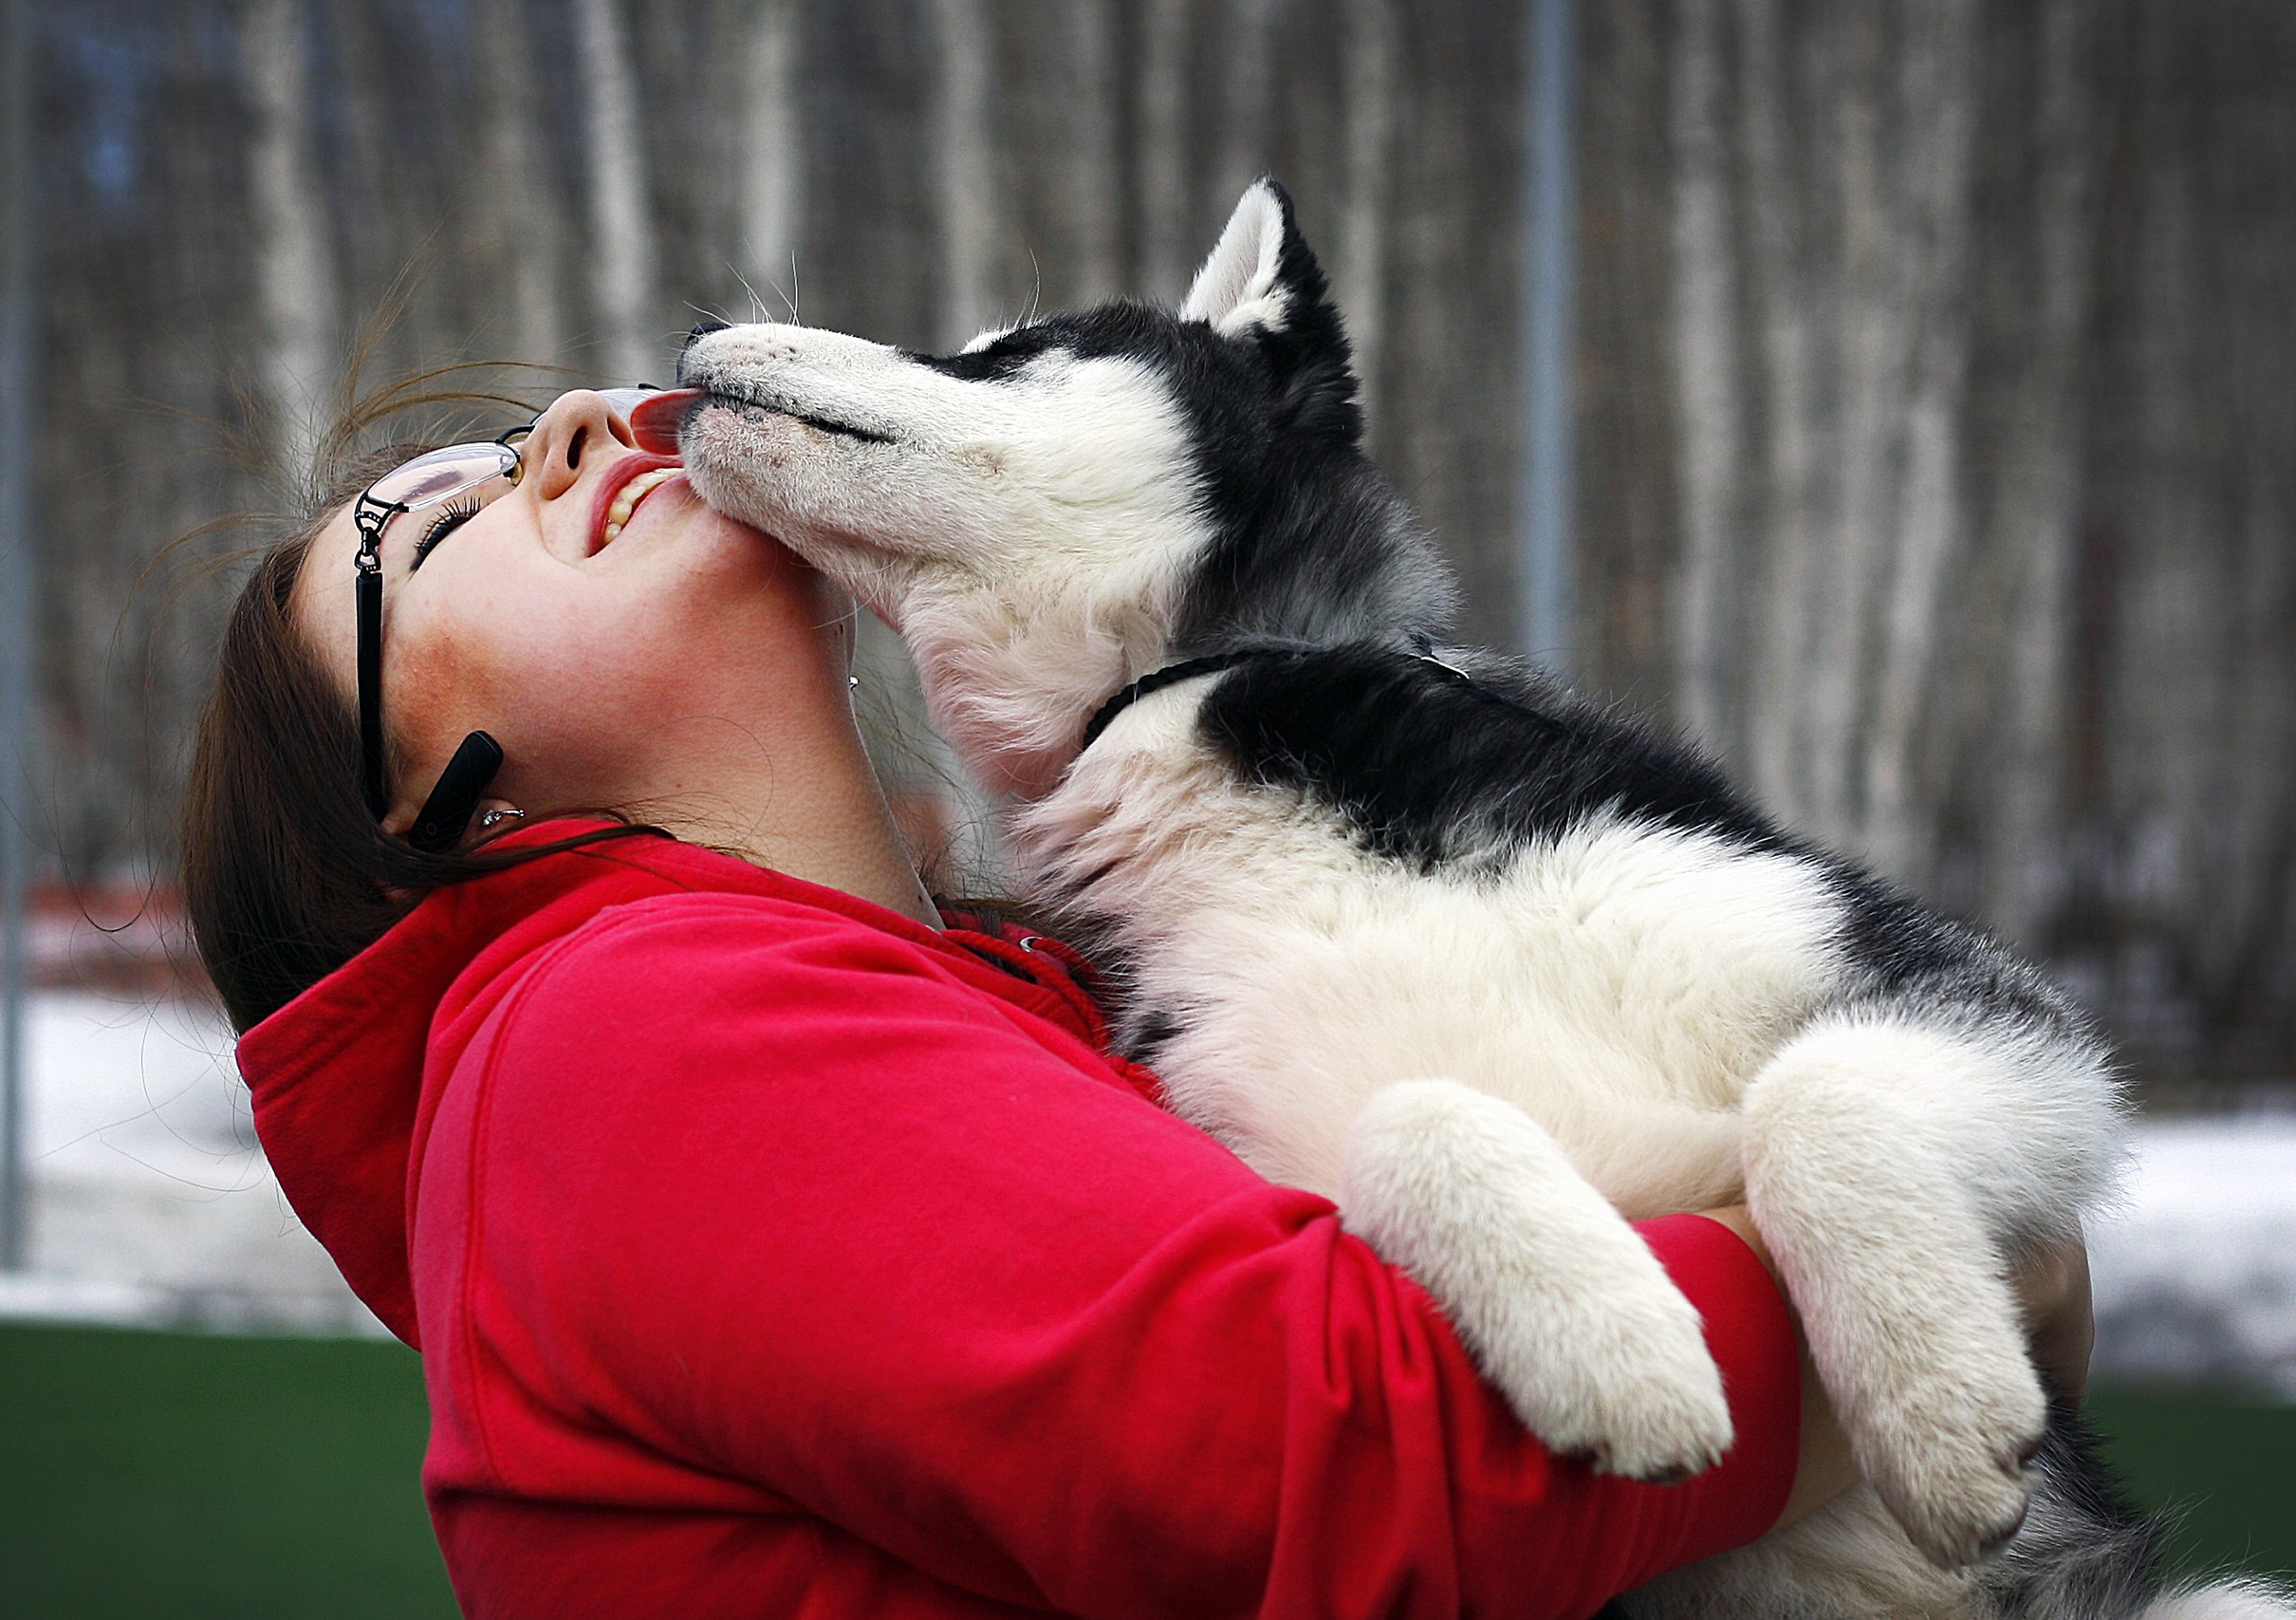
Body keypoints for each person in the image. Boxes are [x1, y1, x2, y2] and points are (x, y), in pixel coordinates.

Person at [182, 385, 2093, 1620]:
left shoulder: (1017, 1010)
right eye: (423, 534)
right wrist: (1904, 1285)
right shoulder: (615, 1030)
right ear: (430, 813)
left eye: (525, 419)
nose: (583, 423)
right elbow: (1332, 1459)